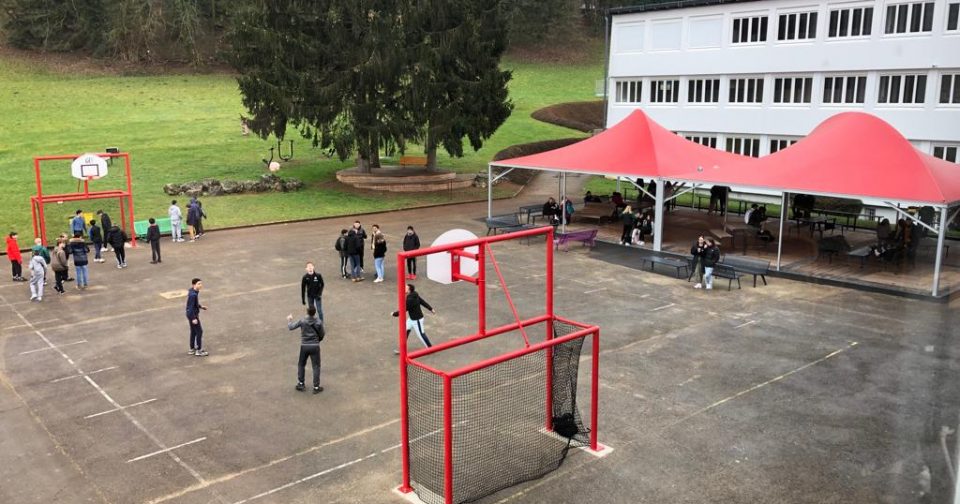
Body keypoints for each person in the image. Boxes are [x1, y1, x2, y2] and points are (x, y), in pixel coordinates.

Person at [286, 306, 325, 394]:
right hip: (315, 346)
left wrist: (289, 320)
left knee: (301, 364)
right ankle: (316, 387)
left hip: (304, 346)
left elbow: (291, 327)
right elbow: (322, 334)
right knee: (316, 366)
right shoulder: (318, 322)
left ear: (307, 312)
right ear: (315, 312)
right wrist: (317, 340)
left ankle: (301, 383)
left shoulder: (302, 321)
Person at [391, 283, 436, 355]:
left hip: (417, 320)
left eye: (405, 288)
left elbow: (403, 309)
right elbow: (422, 301)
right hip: (411, 319)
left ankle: (430, 349)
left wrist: (394, 314)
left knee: (421, 334)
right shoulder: (414, 294)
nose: (404, 288)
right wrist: (430, 308)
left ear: (409, 290)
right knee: (404, 331)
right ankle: (403, 349)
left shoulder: (410, 299)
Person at [186, 278, 209, 356]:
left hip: (190, 315)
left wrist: (201, 306)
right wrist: (193, 318)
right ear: (194, 285)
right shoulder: (193, 295)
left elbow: (194, 304)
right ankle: (199, 350)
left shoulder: (192, 291)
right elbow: (190, 308)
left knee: (193, 331)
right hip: (193, 315)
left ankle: (192, 349)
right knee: (199, 331)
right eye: (198, 284)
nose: (200, 285)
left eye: (201, 283)